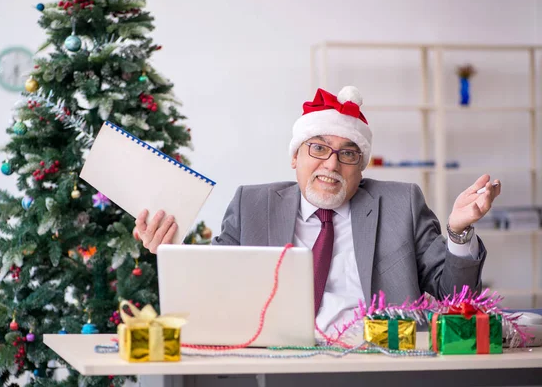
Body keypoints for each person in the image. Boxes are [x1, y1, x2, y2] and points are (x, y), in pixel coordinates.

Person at [133, 86, 501, 334]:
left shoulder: (400, 203)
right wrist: (169, 249)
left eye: (348, 153)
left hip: (378, 360)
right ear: (295, 157)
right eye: (319, 148)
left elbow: (458, 294)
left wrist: (458, 231)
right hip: (278, 361)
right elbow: (218, 284)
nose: (332, 164)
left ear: (361, 168)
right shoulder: (252, 203)